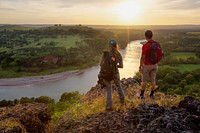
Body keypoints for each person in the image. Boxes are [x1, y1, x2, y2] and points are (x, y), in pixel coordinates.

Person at [100, 39, 125, 111]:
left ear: (109, 46)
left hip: (106, 74)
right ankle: (122, 102)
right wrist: (115, 66)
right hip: (115, 73)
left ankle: (109, 107)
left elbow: (101, 64)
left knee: (109, 90)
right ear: (116, 45)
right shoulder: (118, 54)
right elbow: (121, 66)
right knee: (119, 86)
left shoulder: (105, 53)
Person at [139, 30, 161, 99]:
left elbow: (143, 57)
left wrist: (140, 65)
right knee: (153, 81)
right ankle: (151, 95)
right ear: (152, 35)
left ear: (145, 36)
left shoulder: (145, 46)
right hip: (154, 65)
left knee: (144, 81)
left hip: (147, 65)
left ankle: (142, 95)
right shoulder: (157, 44)